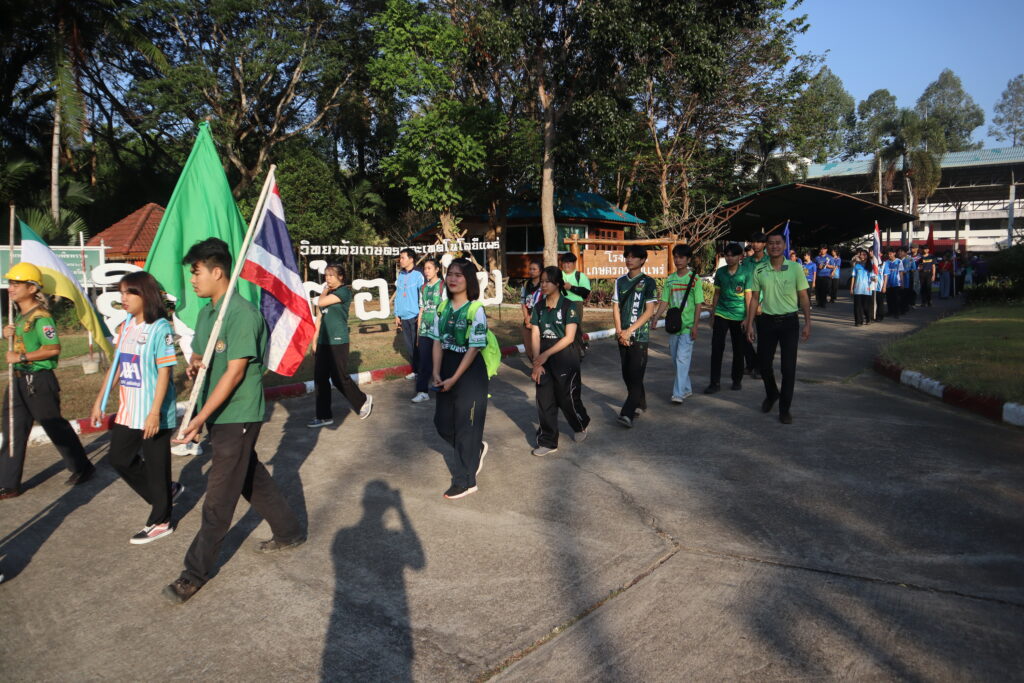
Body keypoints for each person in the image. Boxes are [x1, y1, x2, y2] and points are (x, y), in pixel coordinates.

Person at [164, 238, 304, 604]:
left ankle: (194, 573)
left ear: (217, 271)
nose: (192, 279)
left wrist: (199, 418)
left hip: (238, 414)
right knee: (251, 477)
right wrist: (196, 364)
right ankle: (289, 531)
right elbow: (201, 355)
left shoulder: (243, 314)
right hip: (218, 413)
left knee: (219, 495)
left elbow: (236, 372)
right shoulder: (207, 313)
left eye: (196, 272)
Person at [89, 271, 181, 543]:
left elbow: (165, 372)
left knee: (157, 466)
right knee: (119, 459)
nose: (124, 298)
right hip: (129, 411)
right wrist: (99, 401)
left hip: (154, 412)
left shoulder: (161, 328)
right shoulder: (126, 326)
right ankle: (163, 494)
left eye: (130, 292)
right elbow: (118, 365)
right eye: (122, 292)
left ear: (145, 295)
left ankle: (161, 521)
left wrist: (154, 413)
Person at [0, 262, 94, 499]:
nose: (11, 288)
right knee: (13, 430)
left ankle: (82, 466)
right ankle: (8, 483)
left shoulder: (41, 318)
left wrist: (21, 357)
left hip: (38, 381)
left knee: (54, 427)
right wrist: (7, 333)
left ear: (32, 288)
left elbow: (53, 348)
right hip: (17, 380)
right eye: (10, 283)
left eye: (17, 284)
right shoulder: (20, 317)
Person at [427, 258, 489, 499]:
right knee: (442, 424)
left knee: (466, 428)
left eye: (458, 275)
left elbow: (474, 348)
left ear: (469, 280)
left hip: (470, 373)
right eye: (450, 274)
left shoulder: (475, 309)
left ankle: (465, 481)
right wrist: (436, 372)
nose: (452, 279)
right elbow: (436, 341)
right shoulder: (442, 308)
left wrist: (454, 378)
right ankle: (475, 448)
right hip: (445, 369)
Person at [745, 233, 812, 425]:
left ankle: (784, 409)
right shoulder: (759, 269)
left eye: (778, 243)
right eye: (771, 243)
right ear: (766, 246)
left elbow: (803, 296)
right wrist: (749, 324)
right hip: (766, 322)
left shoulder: (795, 268)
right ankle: (772, 393)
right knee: (764, 364)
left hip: (789, 323)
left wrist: (808, 322)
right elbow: (754, 298)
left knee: (788, 368)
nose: (774, 246)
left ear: (784, 245)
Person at [529, 266, 589, 456]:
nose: (543, 285)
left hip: (565, 356)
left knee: (566, 398)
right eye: (542, 281)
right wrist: (537, 362)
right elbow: (535, 334)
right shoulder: (539, 307)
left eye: (547, 281)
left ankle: (580, 423)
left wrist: (545, 355)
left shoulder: (569, 306)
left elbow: (569, 337)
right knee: (544, 399)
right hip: (543, 356)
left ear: (557, 284)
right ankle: (548, 441)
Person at [309, 264, 372, 427]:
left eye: (331, 275)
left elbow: (321, 302)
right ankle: (323, 416)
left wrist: (324, 290)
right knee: (320, 378)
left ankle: (363, 400)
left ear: (341, 277)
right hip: (323, 341)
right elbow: (319, 318)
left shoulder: (344, 291)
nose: (327, 278)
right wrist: (314, 340)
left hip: (338, 341)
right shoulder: (328, 293)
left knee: (339, 378)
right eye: (326, 275)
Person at [612, 245, 658, 427]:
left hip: (639, 335)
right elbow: (615, 307)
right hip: (622, 335)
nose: (629, 260)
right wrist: (619, 331)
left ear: (642, 260)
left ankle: (627, 413)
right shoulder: (620, 281)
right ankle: (640, 402)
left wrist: (630, 330)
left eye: (633, 257)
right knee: (627, 374)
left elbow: (649, 310)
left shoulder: (649, 282)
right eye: (627, 256)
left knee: (635, 374)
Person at [656, 244, 702, 403]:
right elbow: (664, 300)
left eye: (681, 257)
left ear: (688, 259)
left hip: (688, 326)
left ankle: (678, 394)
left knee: (682, 359)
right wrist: (656, 317)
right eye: (675, 257)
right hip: (674, 325)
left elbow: (698, 304)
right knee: (676, 360)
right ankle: (687, 388)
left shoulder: (694, 279)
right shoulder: (670, 279)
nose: (678, 260)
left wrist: (695, 326)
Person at [704, 243, 750, 393]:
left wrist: (747, 318)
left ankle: (737, 380)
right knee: (717, 348)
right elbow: (716, 294)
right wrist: (713, 314)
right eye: (727, 255)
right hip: (721, 313)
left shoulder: (746, 272)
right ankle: (714, 383)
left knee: (739, 349)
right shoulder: (721, 272)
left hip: (739, 315)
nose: (730, 258)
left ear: (740, 256)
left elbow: (748, 297)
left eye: (733, 255)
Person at [410, 258, 444, 403]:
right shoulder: (423, 288)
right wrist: (419, 332)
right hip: (425, 330)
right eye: (425, 268)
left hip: (440, 331)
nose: (426, 271)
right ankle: (422, 391)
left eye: (429, 268)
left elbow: (447, 308)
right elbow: (421, 310)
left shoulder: (443, 286)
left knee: (442, 361)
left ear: (437, 269)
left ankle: (443, 386)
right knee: (423, 362)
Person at [392, 248, 424, 381]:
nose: (400, 260)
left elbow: (422, 295)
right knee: (409, 346)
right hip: (403, 316)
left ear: (411, 259)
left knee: (418, 345)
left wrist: (421, 313)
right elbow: (398, 295)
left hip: (416, 316)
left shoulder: (419, 275)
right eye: (400, 258)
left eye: (402, 258)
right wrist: (396, 314)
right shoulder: (400, 275)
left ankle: (423, 371)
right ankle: (416, 370)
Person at [740, 233, 769, 378]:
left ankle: (759, 368)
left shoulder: (770, 261)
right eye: (754, 241)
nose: (756, 244)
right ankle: (751, 363)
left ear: (764, 244)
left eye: (759, 242)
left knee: (764, 339)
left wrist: (761, 303)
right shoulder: (746, 262)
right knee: (743, 334)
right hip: (747, 303)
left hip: (765, 305)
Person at [559, 252, 591, 357]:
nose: (566, 265)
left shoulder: (580, 276)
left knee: (575, 327)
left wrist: (571, 287)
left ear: (574, 263)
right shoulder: (558, 275)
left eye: (569, 263)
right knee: (560, 326)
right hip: (560, 303)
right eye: (564, 263)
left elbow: (586, 293)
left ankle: (579, 348)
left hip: (575, 304)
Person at [520, 259, 543, 362]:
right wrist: (526, 317)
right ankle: (534, 364)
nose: (531, 271)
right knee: (528, 345)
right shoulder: (526, 284)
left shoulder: (544, 285)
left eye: (534, 269)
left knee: (539, 345)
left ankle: (540, 365)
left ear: (540, 271)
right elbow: (523, 302)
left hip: (539, 318)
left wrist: (533, 317)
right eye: (530, 269)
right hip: (527, 318)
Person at [850, 249, 874, 327]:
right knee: (857, 306)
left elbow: (872, 276)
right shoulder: (857, 265)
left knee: (866, 307)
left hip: (867, 289)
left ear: (867, 256)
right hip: (857, 289)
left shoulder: (870, 265)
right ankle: (858, 321)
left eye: (864, 254)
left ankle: (868, 318)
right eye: (861, 254)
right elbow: (853, 277)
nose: (862, 256)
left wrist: (874, 279)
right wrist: (851, 288)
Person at [881, 248, 904, 319]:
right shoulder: (886, 262)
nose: (889, 255)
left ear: (894, 253)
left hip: (896, 283)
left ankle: (896, 312)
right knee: (889, 298)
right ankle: (890, 311)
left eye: (890, 254)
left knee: (896, 298)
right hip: (888, 283)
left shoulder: (899, 261)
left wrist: (902, 283)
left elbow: (901, 272)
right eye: (888, 254)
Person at [898, 246, 915, 313]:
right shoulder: (897, 260)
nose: (899, 253)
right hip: (898, 281)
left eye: (901, 251)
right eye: (899, 251)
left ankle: (904, 309)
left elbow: (913, 268)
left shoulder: (909, 259)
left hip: (906, 280)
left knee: (905, 295)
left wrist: (907, 270)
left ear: (905, 253)